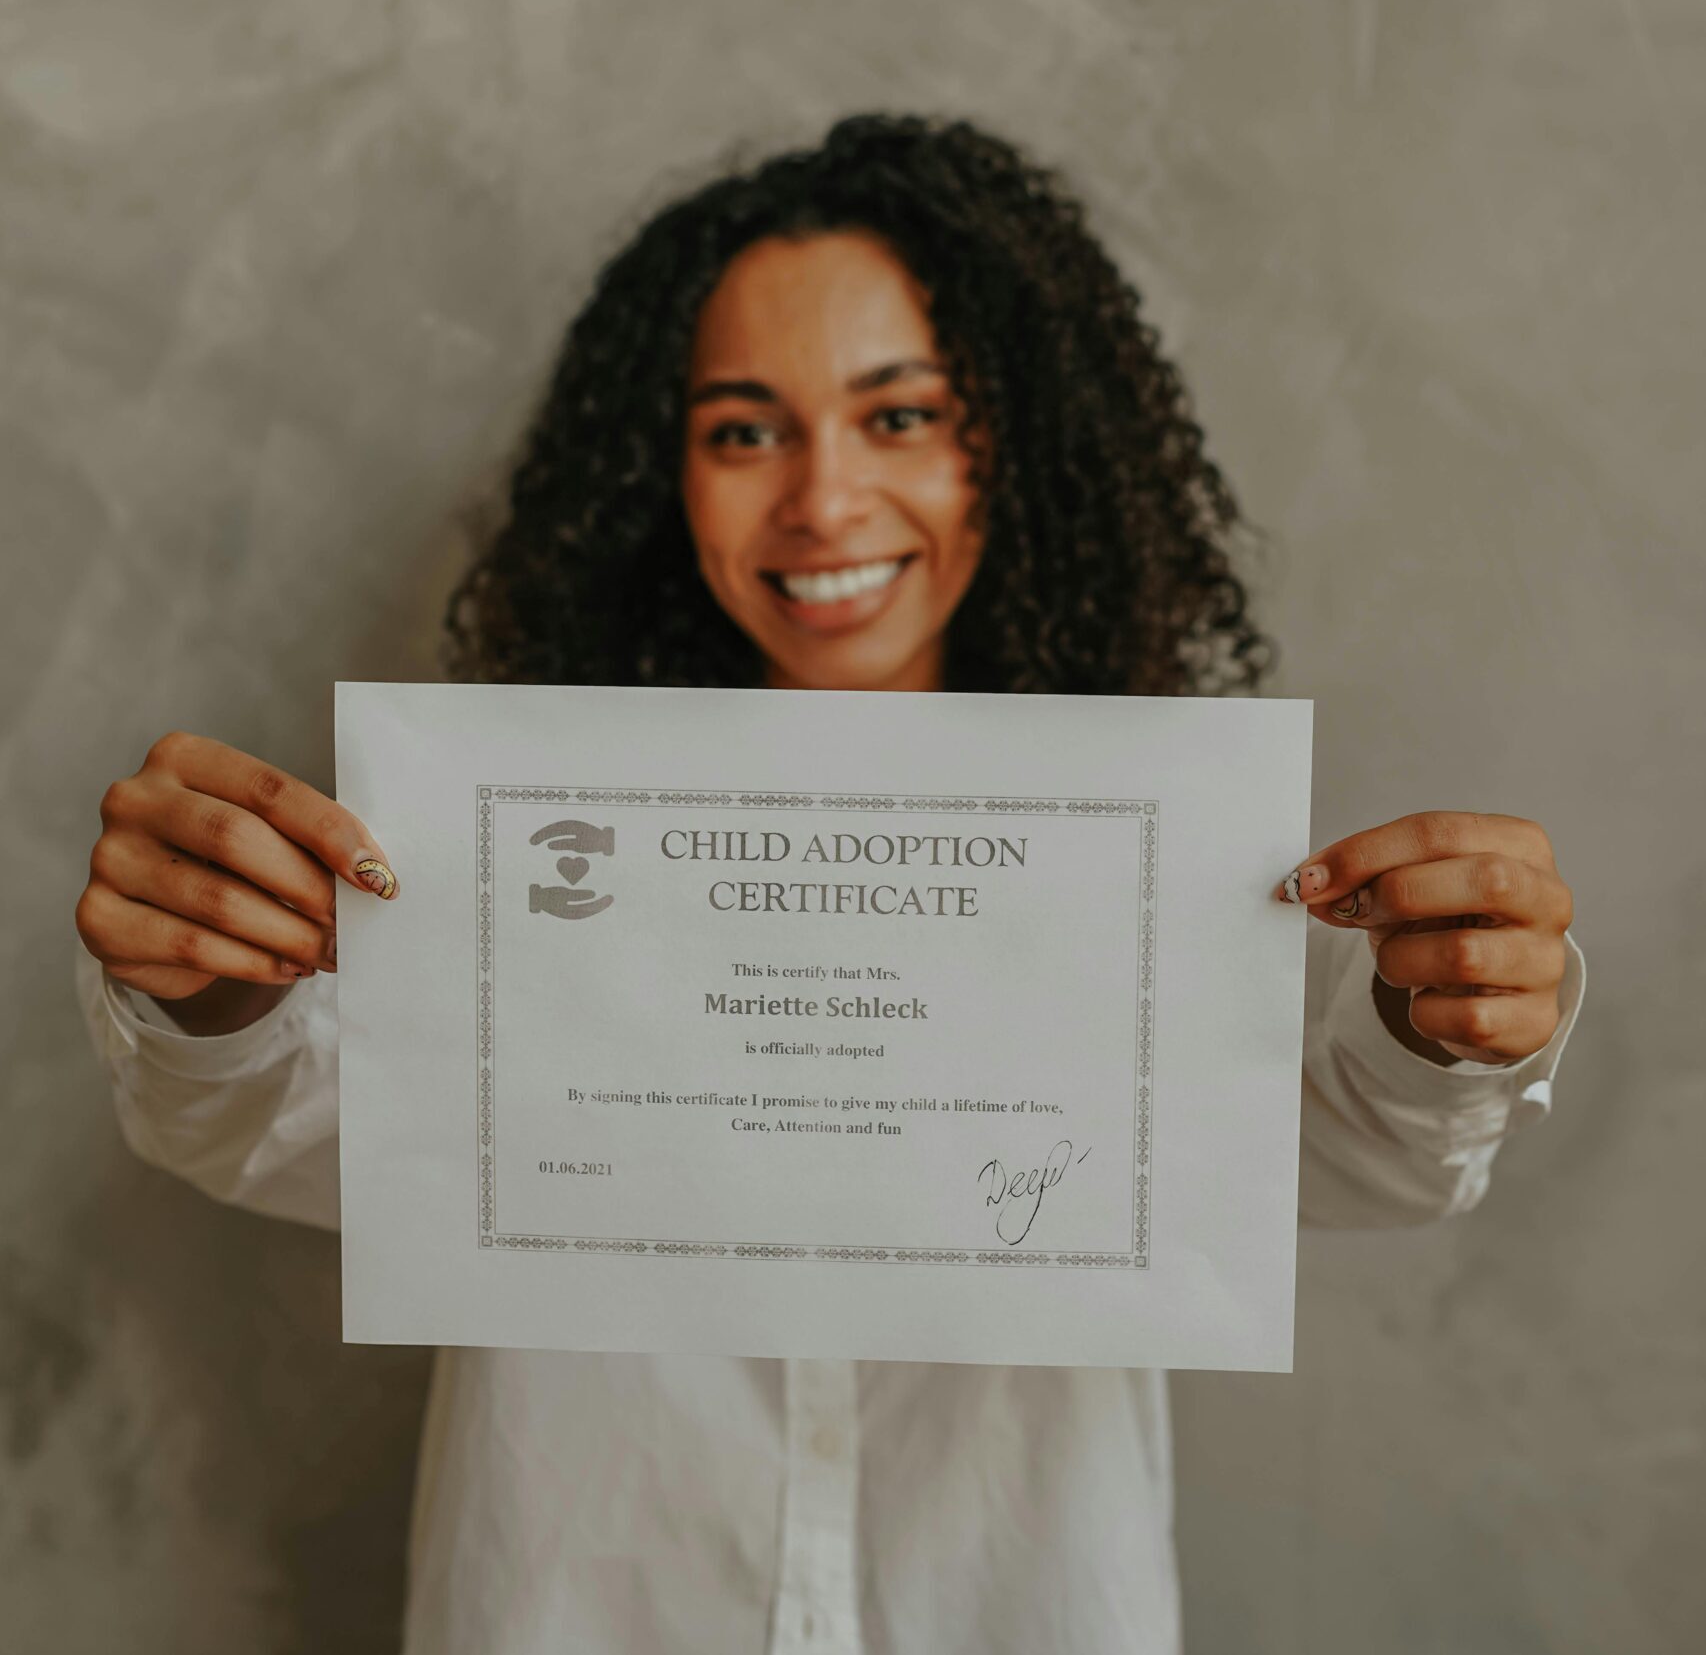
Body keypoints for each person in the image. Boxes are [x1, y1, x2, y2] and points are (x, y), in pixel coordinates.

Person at [73, 113, 1584, 1654]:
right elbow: (268, 1124)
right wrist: (212, 979)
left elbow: (1353, 1164)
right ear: (663, 474)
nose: (820, 500)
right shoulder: (500, 860)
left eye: (901, 415)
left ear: (1018, 448)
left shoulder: (1155, 880)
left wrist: (1445, 1020)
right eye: (742, 428)